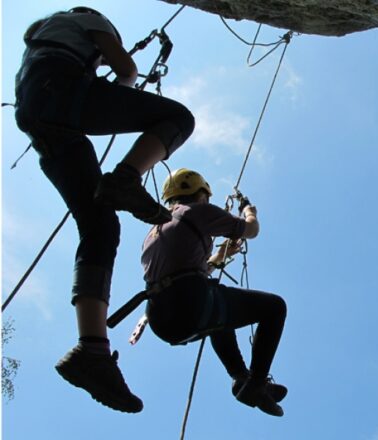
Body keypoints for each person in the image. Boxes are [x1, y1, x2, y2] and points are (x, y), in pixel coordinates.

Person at [13, 7, 195, 413]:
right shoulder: (85, 17)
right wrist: (120, 85)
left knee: (99, 227)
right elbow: (126, 69)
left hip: (40, 117)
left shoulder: (39, 44)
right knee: (178, 117)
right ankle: (126, 178)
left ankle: (91, 350)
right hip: (60, 90)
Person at [141, 168, 288, 417]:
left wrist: (220, 255)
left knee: (219, 315)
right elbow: (251, 230)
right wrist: (250, 212)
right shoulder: (197, 211)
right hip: (190, 302)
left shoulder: (155, 230)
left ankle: (241, 377)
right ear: (200, 193)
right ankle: (256, 383)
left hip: (162, 319)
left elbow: (180, 270)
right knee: (274, 307)